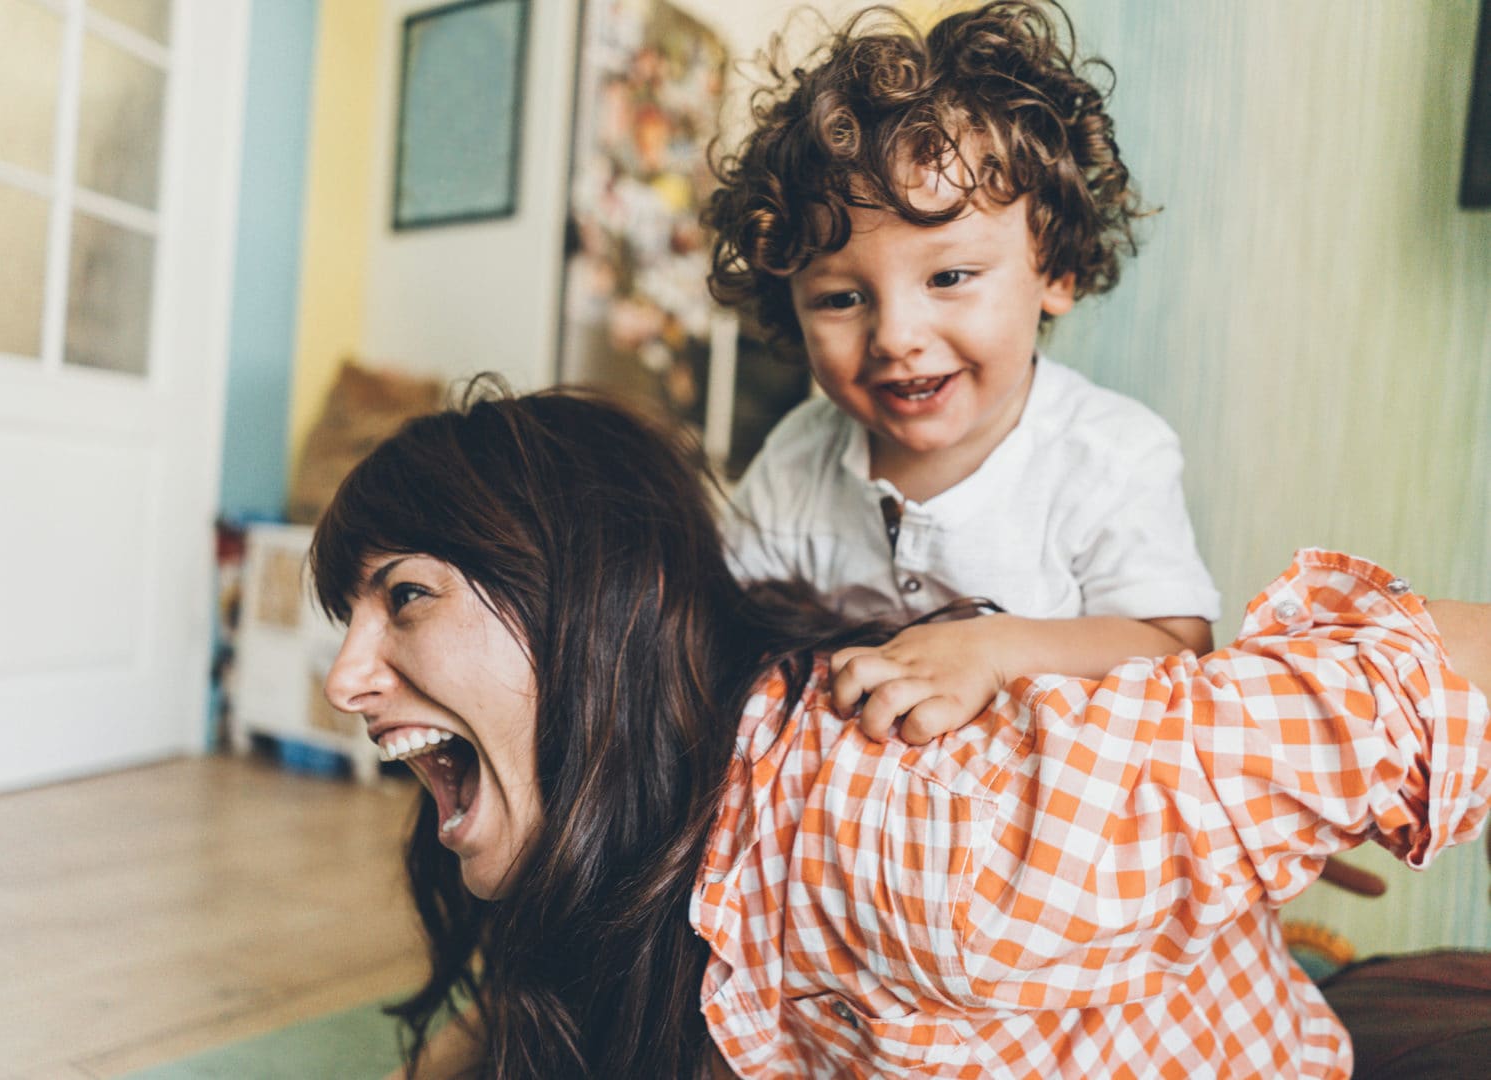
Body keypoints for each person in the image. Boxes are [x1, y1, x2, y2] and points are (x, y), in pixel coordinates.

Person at [315, 385, 1491, 1080]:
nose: (344, 680)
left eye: (403, 595)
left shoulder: (914, 831)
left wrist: (1245, 796)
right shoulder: (657, 819)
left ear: (592, 610)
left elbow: (1437, 664)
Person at [705, 1, 1219, 741]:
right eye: (842, 298)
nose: (896, 337)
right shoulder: (796, 461)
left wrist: (994, 649)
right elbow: (721, 630)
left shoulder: (1109, 456)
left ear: (1058, 269)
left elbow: (1179, 652)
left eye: (948, 278)